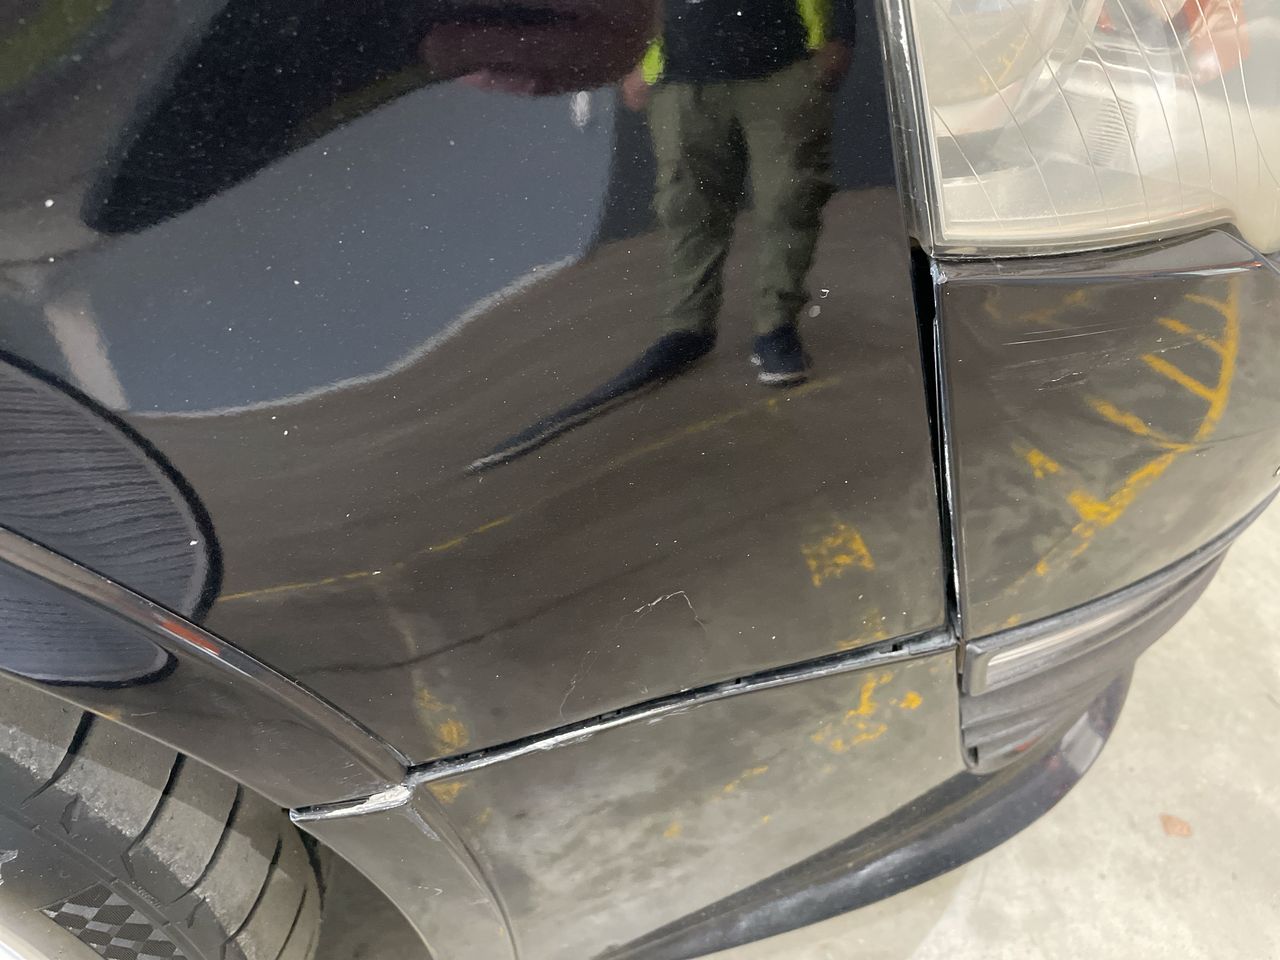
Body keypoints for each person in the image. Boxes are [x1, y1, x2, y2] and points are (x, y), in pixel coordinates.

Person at [621, 0, 855, 386]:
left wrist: (840, 36)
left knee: (789, 201)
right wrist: (635, 62)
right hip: (680, 79)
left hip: (783, 66)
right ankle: (686, 327)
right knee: (686, 207)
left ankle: (776, 327)